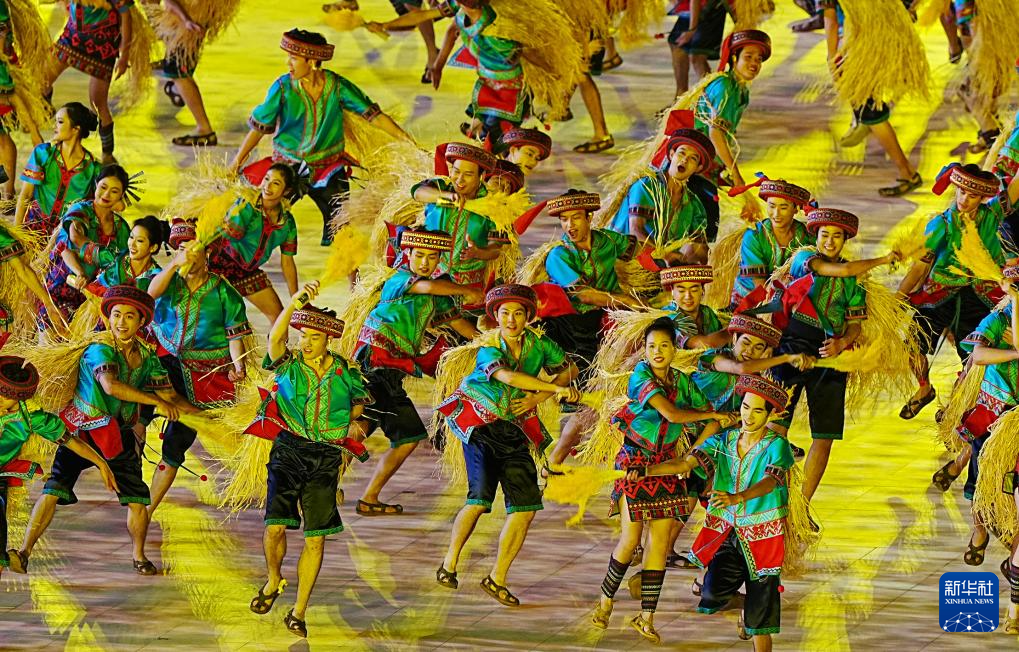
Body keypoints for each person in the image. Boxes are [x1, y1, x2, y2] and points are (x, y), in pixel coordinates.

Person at [12, 286, 196, 576]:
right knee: (54, 488)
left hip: (118, 435)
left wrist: (204, 417)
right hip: (82, 431)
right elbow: (111, 386)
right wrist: (155, 402)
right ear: (108, 318)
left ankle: (139, 556)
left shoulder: (148, 358)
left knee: (137, 499)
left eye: (129, 316)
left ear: (141, 322)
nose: (121, 322)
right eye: (116, 315)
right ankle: (23, 552)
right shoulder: (99, 349)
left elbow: (170, 395)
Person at [628, 374, 796, 651]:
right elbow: (685, 463)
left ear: (770, 414)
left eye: (757, 411)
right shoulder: (724, 440)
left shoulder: (777, 445)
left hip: (764, 536)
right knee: (711, 593)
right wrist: (646, 471)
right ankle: (747, 607)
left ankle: (755, 616)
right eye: (745, 407)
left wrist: (738, 497)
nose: (748, 416)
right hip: (727, 531)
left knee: (761, 617)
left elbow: (771, 481)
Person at [435, 284, 579, 606]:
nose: (511, 319)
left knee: (525, 509)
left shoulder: (540, 344)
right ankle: (449, 563)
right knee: (479, 501)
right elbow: (509, 378)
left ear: (528, 316)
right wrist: (554, 390)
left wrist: (538, 397)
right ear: (495, 317)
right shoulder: (488, 348)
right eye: (504, 313)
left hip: (515, 431)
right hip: (481, 427)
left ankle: (497, 578)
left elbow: (570, 369)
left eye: (518, 313)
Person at [247, 281, 372, 639]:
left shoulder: (346, 372)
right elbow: (275, 338)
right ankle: (273, 579)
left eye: (314, 337)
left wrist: (350, 426)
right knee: (275, 527)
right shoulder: (288, 364)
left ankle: (299, 611)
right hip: (289, 449)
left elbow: (359, 408)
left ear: (328, 339)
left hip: (326, 456)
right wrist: (294, 303)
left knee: (315, 538)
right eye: (303, 336)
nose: (305, 342)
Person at [591, 317, 723, 644]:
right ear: (645, 350)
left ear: (674, 349)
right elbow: (672, 414)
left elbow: (713, 424)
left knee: (660, 544)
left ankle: (647, 616)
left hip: (666, 465)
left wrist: (690, 456)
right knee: (630, 539)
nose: (658, 351)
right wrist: (711, 415)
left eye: (664, 345)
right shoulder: (640, 376)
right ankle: (605, 600)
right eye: (652, 346)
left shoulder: (683, 381)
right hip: (635, 462)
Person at [231, 28, 412, 246]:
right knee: (259, 220)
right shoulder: (283, 88)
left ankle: (347, 268)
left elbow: (375, 116)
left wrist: (407, 141)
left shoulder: (337, 86)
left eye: (294, 58)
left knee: (341, 227)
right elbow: (259, 128)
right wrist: (236, 162)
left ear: (312, 61)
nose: (288, 64)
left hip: (328, 169)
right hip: (287, 167)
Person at [765, 207, 898, 500]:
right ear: (816, 236)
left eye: (837, 236)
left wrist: (842, 343)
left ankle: (802, 505)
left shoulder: (855, 282)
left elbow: (855, 325)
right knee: (775, 426)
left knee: (825, 435)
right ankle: (769, 499)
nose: (830, 241)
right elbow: (843, 271)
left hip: (832, 355)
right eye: (825, 234)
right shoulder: (804, 258)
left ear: (845, 240)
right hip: (792, 344)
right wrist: (883, 259)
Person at [353, 229, 482, 515]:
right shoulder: (399, 280)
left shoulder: (437, 294)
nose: (425, 262)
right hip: (376, 361)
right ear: (406, 254)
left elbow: (459, 324)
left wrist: (488, 341)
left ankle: (345, 490)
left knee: (363, 426)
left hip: (390, 369)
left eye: (432, 257)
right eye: (419, 255)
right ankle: (357, 493)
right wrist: (466, 290)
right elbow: (425, 287)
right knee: (406, 435)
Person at [144, 220, 251, 513]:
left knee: (179, 441)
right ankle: (137, 496)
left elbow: (235, 336)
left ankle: (149, 507)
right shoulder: (168, 281)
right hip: (166, 362)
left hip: (207, 376)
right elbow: (150, 294)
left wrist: (239, 368)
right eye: (181, 249)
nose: (187, 255)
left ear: (208, 255)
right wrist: (173, 265)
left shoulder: (223, 292)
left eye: (193, 249)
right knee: (139, 417)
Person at [898, 163, 1019, 419]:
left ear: (982, 197)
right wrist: (899, 297)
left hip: (979, 295)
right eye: (961, 192)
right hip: (938, 293)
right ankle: (924, 388)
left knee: (973, 357)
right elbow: (920, 266)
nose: (964, 199)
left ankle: (956, 402)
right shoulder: (940, 224)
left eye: (972, 195)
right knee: (911, 344)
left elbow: (1015, 188)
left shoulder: (993, 215)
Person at [0, 355, 119, 579]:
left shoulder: (33, 419)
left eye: (5, 396)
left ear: (19, 397)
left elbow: (71, 442)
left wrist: (101, 463)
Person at [932, 267, 1019, 569]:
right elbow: (979, 355)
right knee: (981, 478)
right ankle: (979, 530)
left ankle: (1013, 549)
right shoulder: (998, 320)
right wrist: (1016, 354)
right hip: (993, 412)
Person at [818, 0, 922, 197]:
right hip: (879, 45)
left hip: (856, 50)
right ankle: (862, 122)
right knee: (870, 110)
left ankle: (907, 173)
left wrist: (832, 59)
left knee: (873, 115)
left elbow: (830, 19)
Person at [410, 142, 506, 297]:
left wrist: (478, 252)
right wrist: (447, 196)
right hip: (429, 276)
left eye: (468, 174)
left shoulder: (493, 207)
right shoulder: (441, 187)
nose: (459, 180)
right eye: (456, 171)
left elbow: (496, 249)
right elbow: (417, 193)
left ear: (481, 177)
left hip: (469, 284)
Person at [46, 0, 135, 164]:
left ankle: (107, 153)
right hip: (72, 36)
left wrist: (124, 55)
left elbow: (126, 15)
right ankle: (46, 111)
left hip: (102, 45)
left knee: (98, 103)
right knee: (42, 80)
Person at [209, 162, 300, 323]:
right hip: (217, 266)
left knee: (278, 317)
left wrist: (296, 298)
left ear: (286, 191)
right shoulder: (247, 204)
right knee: (215, 320)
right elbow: (229, 235)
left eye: (276, 183)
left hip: (246, 272)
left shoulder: (288, 223)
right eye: (266, 179)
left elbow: (287, 262)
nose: (267, 186)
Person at [609, 128, 716, 261]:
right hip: (620, 261)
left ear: (698, 168)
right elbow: (636, 231)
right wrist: (666, 256)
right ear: (671, 155)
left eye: (693, 158)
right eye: (681, 153)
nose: (685, 160)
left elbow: (699, 247)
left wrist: (712, 263)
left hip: (659, 266)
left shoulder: (694, 205)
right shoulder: (647, 186)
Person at [44, 165, 133, 323]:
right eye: (103, 187)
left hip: (93, 298)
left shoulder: (121, 228)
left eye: (114, 191)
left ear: (122, 195)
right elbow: (70, 243)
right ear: (96, 184)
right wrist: (81, 273)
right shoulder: (81, 210)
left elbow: (123, 263)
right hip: (62, 284)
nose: (106, 194)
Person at [151, 0, 241, 146]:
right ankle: (177, 91)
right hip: (192, 21)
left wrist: (186, 19)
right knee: (179, 69)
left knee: (179, 74)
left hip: (188, 23)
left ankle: (205, 130)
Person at [693, 30, 771, 190]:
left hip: (708, 160)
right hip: (697, 160)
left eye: (759, 59)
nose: (754, 64)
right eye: (748, 57)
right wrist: (735, 172)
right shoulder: (726, 87)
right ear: (735, 58)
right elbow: (715, 133)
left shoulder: (741, 90)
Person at [15, 102, 102, 236]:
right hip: (33, 232)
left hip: (66, 237)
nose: (54, 126)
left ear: (76, 129)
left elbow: (95, 210)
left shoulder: (93, 168)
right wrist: (17, 233)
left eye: (60, 122)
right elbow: (25, 195)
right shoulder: (43, 153)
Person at [730, 176, 813, 309]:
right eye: (771, 206)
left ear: (796, 209)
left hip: (789, 297)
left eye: (783, 207)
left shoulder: (806, 237)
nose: (776, 214)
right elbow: (759, 282)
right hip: (751, 297)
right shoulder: (754, 236)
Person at [76, 215, 168, 296]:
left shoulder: (157, 277)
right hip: (92, 304)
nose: (132, 244)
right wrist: (80, 273)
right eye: (131, 237)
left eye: (139, 240)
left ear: (153, 247)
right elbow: (71, 252)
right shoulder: (114, 257)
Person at [668, 0, 727, 98]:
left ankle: (712, 100)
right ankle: (681, 96)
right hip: (691, 8)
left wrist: (692, 29)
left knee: (697, 55)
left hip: (712, 6)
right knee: (676, 45)